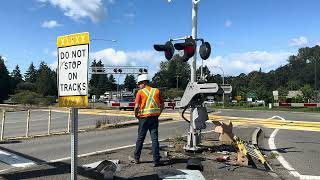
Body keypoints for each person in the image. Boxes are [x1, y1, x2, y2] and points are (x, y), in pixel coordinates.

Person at [130, 74, 164, 167]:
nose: (138, 86)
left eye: (139, 83)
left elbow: (136, 107)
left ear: (144, 83)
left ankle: (136, 158)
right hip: (154, 118)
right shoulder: (156, 91)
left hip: (143, 119)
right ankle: (156, 160)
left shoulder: (140, 92)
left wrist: (136, 115)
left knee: (140, 138)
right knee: (154, 139)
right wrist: (158, 114)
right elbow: (162, 104)